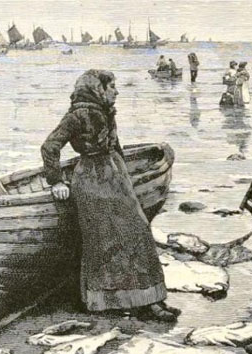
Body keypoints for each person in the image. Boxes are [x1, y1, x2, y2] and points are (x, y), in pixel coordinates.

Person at [41, 69, 180, 321]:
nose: (116, 90)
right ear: (98, 89)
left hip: (115, 177)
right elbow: (50, 147)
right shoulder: (77, 115)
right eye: (111, 86)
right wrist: (56, 181)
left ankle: (150, 299)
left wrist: (126, 175)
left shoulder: (106, 111)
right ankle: (120, 302)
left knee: (138, 233)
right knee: (105, 242)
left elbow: (116, 147)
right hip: (93, 181)